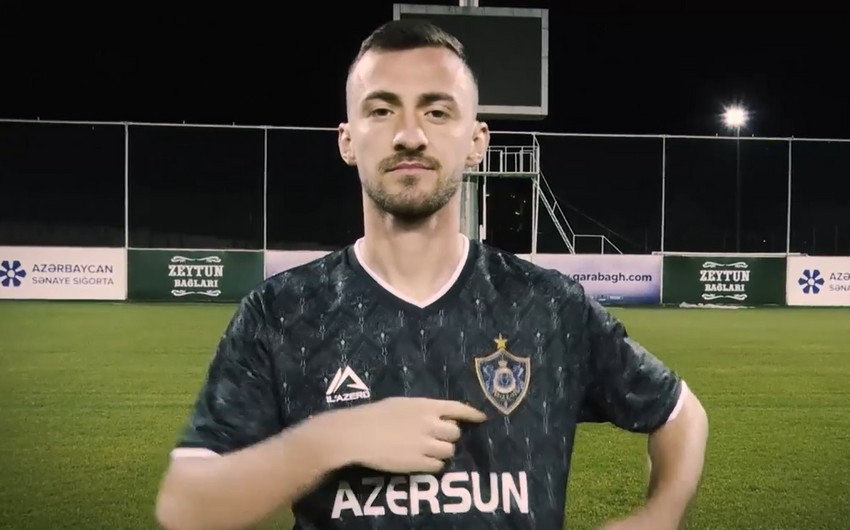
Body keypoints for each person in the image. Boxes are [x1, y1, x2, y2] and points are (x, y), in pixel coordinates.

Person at [154, 19, 709, 530]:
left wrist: (659, 516)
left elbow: (680, 413)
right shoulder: (281, 312)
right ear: (347, 140)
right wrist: (332, 438)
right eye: (381, 110)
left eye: (437, 112)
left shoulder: (550, 305)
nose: (410, 135)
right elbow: (186, 505)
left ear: (477, 142)